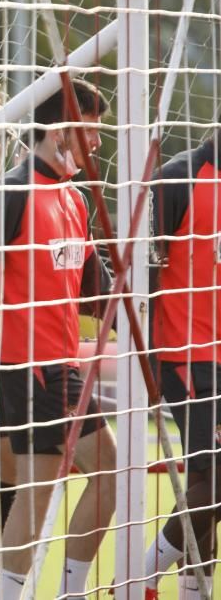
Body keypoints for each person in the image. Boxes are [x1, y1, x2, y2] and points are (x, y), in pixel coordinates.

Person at [0, 78, 116, 599]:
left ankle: (71, 591)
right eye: (92, 131)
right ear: (61, 129)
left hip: (62, 365)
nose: (99, 144)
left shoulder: (73, 198)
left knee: (111, 473)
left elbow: (95, 289)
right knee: (37, 493)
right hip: (22, 368)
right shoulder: (14, 191)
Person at [143, 123, 221, 599]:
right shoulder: (178, 178)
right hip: (186, 353)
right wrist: (149, 360)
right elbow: (143, 272)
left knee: (204, 485)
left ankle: (194, 591)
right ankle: (141, 573)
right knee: (213, 480)